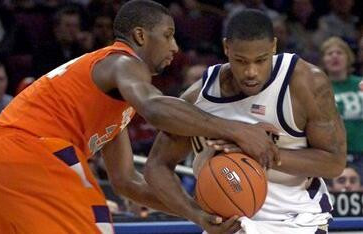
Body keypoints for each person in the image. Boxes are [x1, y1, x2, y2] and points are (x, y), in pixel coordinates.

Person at [0, 1, 279, 234]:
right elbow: (156, 108)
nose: (175, 46)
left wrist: (199, 212)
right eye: (168, 35)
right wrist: (238, 130)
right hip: (31, 153)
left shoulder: (113, 98)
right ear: (140, 36)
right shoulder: (121, 61)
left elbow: (126, 181)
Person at [145, 9, 347, 234]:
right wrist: (196, 215)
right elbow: (157, 165)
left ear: (273, 47)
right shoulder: (199, 96)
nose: (251, 72)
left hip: (295, 220)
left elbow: (334, 163)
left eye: (260, 60)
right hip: (229, 223)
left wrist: (262, 153)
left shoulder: (305, 82)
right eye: (240, 61)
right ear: (226, 48)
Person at [320, 37, 363, 181]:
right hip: (332, 155)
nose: (334, 56)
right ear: (323, 61)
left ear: (348, 57)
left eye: (339, 52)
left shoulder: (360, 84)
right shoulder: (318, 88)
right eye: (329, 53)